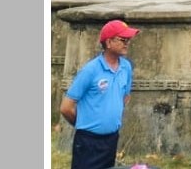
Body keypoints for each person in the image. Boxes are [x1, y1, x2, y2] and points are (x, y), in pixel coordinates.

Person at [60, 19, 140, 169]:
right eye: (123, 39)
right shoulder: (91, 70)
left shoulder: (126, 67)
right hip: (88, 141)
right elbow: (66, 107)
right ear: (109, 43)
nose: (127, 43)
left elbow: (125, 96)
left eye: (128, 40)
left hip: (111, 138)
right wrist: (84, 123)